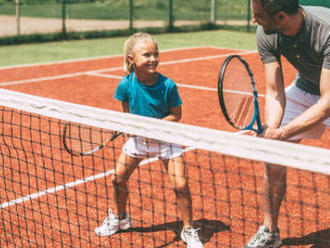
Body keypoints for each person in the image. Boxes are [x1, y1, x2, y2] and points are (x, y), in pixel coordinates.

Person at [94, 32, 204, 248]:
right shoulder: (125, 85)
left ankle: (189, 229)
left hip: (165, 140)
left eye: (156, 54)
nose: (153, 59)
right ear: (131, 59)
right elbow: (127, 116)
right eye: (147, 55)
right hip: (139, 141)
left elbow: (176, 115)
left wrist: (156, 128)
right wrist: (131, 128)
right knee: (118, 179)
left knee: (181, 185)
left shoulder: (168, 85)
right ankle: (120, 217)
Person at [244, 1, 330, 248]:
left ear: (280, 17)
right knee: (273, 158)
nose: (254, 20)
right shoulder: (266, 32)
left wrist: (283, 132)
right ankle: (269, 231)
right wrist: (272, 131)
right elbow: (274, 91)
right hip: (304, 88)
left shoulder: (326, 31)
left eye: (258, 16)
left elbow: (326, 103)